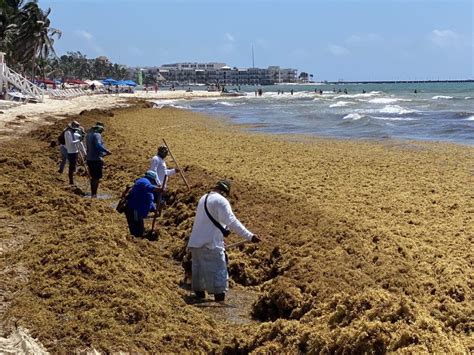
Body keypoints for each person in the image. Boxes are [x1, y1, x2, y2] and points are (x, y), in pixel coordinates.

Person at [187, 180, 261, 302]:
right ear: (225, 192)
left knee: (199, 282)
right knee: (219, 284)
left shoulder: (204, 198)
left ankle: (199, 306)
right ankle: (219, 311)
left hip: (195, 245)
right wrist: (250, 236)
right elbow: (232, 222)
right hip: (210, 246)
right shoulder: (221, 201)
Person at [125, 170, 162, 238]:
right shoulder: (143, 181)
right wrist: (158, 189)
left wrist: (154, 209)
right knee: (137, 230)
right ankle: (135, 243)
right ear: (151, 179)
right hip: (135, 210)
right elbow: (148, 187)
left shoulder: (147, 184)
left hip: (139, 211)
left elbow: (149, 199)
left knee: (139, 229)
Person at [86, 122, 111, 197]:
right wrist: (106, 151)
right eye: (101, 130)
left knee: (93, 177)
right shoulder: (97, 135)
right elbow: (98, 145)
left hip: (89, 158)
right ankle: (94, 194)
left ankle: (93, 193)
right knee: (96, 178)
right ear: (99, 129)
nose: (102, 131)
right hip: (96, 159)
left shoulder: (88, 135)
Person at [63, 121, 81, 185]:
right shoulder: (68, 133)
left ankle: (73, 179)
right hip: (71, 152)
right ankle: (71, 181)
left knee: (74, 166)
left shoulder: (73, 132)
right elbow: (71, 143)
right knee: (71, 166)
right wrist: (79, 140)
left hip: (75, 151)